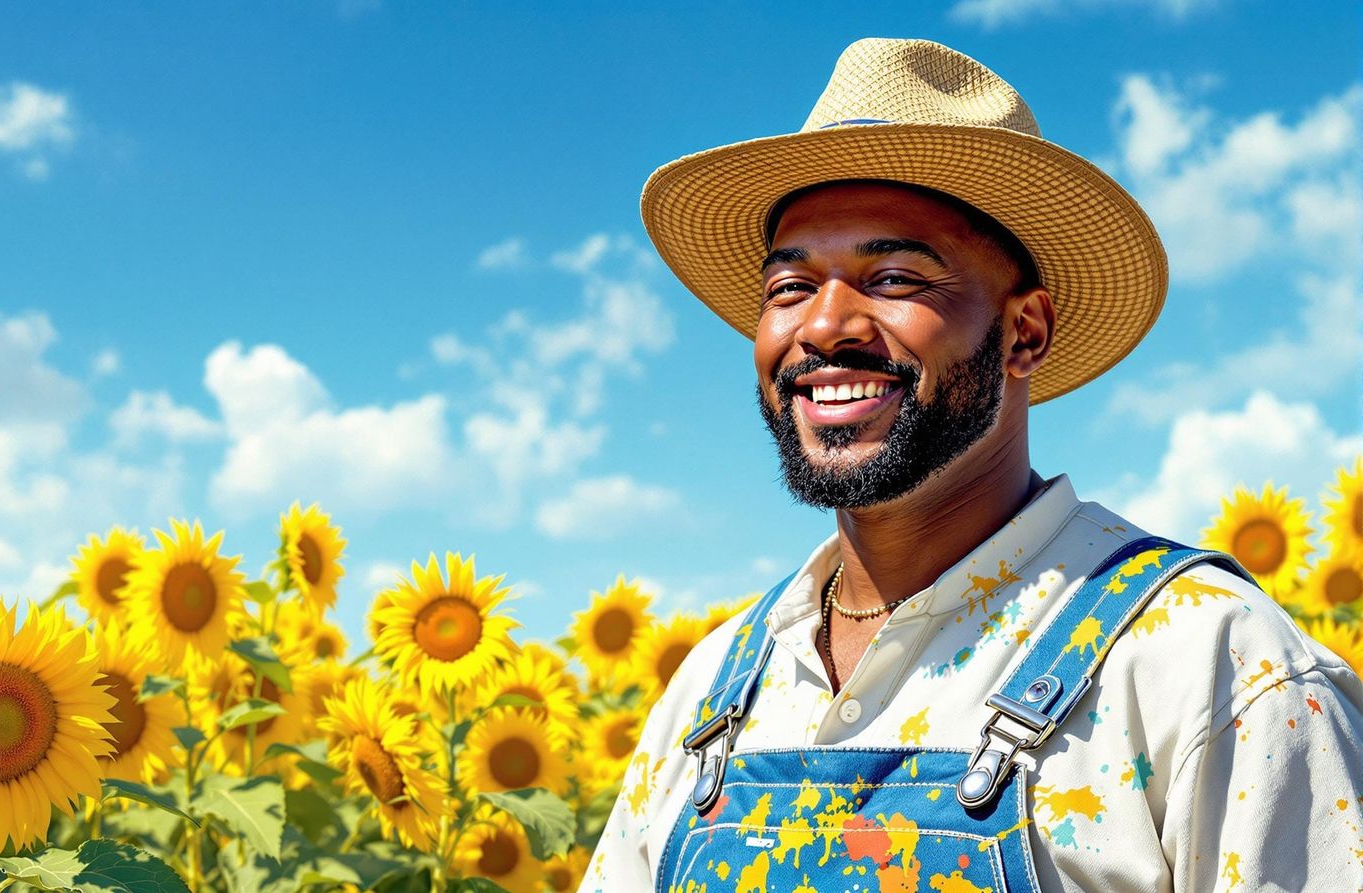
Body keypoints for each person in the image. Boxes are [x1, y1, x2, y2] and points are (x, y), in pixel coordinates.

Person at [582, 37, 1363, 892]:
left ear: (1025, 331)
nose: (824, 326)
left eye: (893, 277)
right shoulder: (713, 691)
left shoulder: (1208, 663)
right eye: (790, 288)